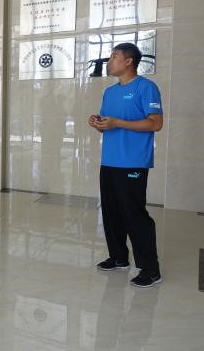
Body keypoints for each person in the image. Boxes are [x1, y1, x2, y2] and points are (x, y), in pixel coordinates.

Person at [88, 42, 164, 288]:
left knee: (134, 214)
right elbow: (108, 125)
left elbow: (155, 123)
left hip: (133, 162)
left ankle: (150, 270)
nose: (109, 61)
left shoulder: (146, 87)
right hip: (109, 160)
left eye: (114, 56)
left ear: (129, 61)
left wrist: (118, 123)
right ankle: (118, 257)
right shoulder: (109, 92)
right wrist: (99, 123)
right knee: (111, 212)